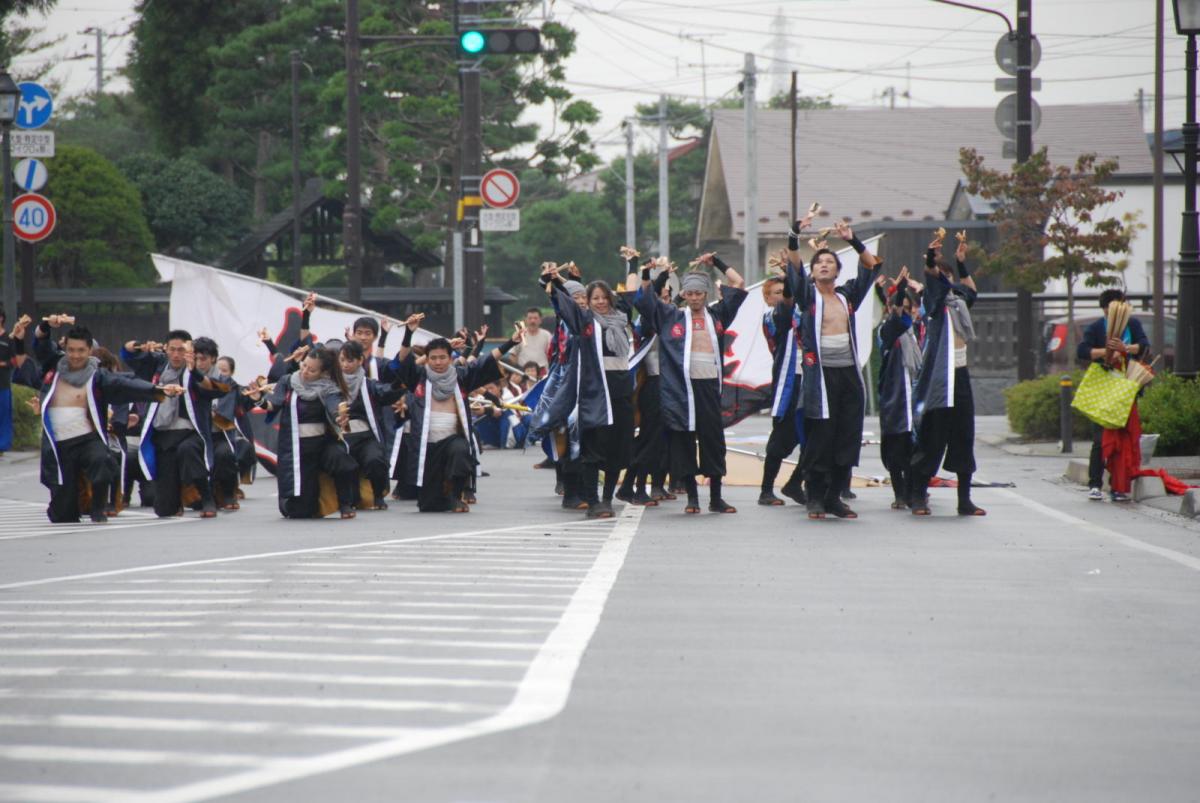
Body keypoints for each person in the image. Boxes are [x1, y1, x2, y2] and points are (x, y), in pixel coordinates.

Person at [32, 320, 183, 523]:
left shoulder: (98, 376)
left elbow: (126, 384)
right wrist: (45, 325)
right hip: (59, 445)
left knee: (103, 460)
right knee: (63, 515)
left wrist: (158, 390)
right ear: (65, 349)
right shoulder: (54, 366)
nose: (76, 355)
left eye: (81, 350)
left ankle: (98, 508)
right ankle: (68, 504)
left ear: (89, 351)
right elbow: (41, 343)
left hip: (88, 439)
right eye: (71, 350)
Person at [636, 253, 748, 514]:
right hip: (680, 388)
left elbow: (739, 283)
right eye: (690, 293)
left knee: (713, 440)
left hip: (709, 384)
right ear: (684, 294)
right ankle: (692, 498)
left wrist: (717, 262)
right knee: (683, 439)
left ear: (706, 294)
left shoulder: (718, 315)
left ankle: (716, 497)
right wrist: (649, 275)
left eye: (699, 293)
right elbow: (646, 300)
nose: (695, 297)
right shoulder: (672, 317)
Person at [788, 220, 882, 520]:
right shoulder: (807, 296)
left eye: (830, 262)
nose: (825, 266)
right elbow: (793, 267)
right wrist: (794, 235)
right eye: (819, 263)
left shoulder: (846, 295)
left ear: (839, 270)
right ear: (812, 272)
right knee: (821, 437)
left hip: (848, 374)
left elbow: (872, 265)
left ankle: (834, 498)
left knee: (847, 436)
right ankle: (814, 497)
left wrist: (852, 239)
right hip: (821, 376)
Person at [390, 317, 520, 512]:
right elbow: (402, 361)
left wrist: (511, 342)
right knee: (429, 506)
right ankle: (439, 495)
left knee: (461, 452)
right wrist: (409, 332)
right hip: (427, 443)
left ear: (450, 358)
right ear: (427, 359)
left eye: (442, 357)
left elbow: (486, 360)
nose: (438, 362)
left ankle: (456, 494)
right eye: (433, 358)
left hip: (452, 438)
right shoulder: (419, 378)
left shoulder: (461, 376)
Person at [542, 261, 637, 519]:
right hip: (596, 395)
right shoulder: (584, 323)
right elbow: (565, 306)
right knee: (593, 449)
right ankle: (593, 501)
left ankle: (607, 498)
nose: (600, 302)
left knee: (619, 451)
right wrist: (554, 281)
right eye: (595, 298)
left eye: (604, 297)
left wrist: (635, 265)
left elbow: (633, 291)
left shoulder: (622, 319)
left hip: (621, 394)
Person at [909, 232, 986, 517]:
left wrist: (961, 262)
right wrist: (931, 258)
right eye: (938, 276)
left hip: (960, 373)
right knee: (932, 436)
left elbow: (970, 288)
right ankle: (918, 495)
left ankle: (964, 499)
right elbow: (931, 276)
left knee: (964, 435)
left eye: (947, 276)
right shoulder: (933, 301)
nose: (942, 279)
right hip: (939, 377)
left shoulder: (958, 300)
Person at [121, 330, 232, 519]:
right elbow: (128, 355)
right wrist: (137, 346)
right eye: (172, 349)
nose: (176, 354)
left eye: (181, 350)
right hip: (164, 434)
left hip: (191, 433)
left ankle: (207, 497)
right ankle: (178, 496)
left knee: (187, 450)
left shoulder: (195, 369)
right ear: (166, 350)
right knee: (164, 509)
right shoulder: (157, 366)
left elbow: (218, 389)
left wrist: (194, 372)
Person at [249, 346, 360, 518]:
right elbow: (273, 404)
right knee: (302, 511)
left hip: (322, 444)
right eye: (304, 365)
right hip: (297, 448)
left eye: (312, 369)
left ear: (323, 373)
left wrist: (340, 417)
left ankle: (346, 503)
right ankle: (299, 502)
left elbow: (334, 408)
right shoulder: (288, 381)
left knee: (341, 459)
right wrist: (259, 400)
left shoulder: (329, 387)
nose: (305, 371)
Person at [1076, 289, 1151, 502]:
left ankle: (1119, 486)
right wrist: (1105, 352)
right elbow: (1082, 351)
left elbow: (1144, 346)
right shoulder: (1097, 327)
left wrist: (1125, 348)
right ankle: (1095, 483)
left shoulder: (1133, 325)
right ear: (1105, 309)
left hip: (1127, 387)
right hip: (1105, 389)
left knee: (1124, 439)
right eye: (1112, 308)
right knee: (1101, 438)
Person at [876, 267, 924, 510]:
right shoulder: (887, 333)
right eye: (901, 307)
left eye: (910, 307)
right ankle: (900, 493)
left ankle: (917, 491)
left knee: (920, 450)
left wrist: (920, 289)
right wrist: (899, 290)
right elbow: (896, 320)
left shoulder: (921, 331)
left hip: (919, 400)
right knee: (896, 453)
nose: (907, 311)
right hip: (896, 401)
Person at [512, 307, 552, 376]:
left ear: (540, 320)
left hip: (542, 372)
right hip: (523, 372)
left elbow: (551, 355)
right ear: (525, 320)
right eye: (530, 318)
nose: (532, 321)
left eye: (535, 318)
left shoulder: (547, 335)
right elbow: (513, 355)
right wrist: (516, 372)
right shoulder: (520, 334)